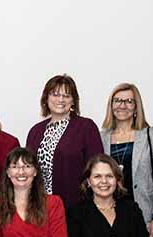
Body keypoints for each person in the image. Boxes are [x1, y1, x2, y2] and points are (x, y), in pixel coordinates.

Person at [99, 82, 153, 237]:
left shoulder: (152, 135)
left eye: (129, 101)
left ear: (136, 107)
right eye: (118, 100)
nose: (122, 105)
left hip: (143, 216)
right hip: (109, 217)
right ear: (111, 106)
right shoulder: (101, 137)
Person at [25, 74, 103, 209]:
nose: (60, 99)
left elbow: (98, 167)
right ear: (46, 98)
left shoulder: (86, 127)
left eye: (66, 96)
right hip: (40, 206)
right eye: (55, 94)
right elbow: (28, 169)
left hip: (76, 206)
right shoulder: (35, 132)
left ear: (73, 101)